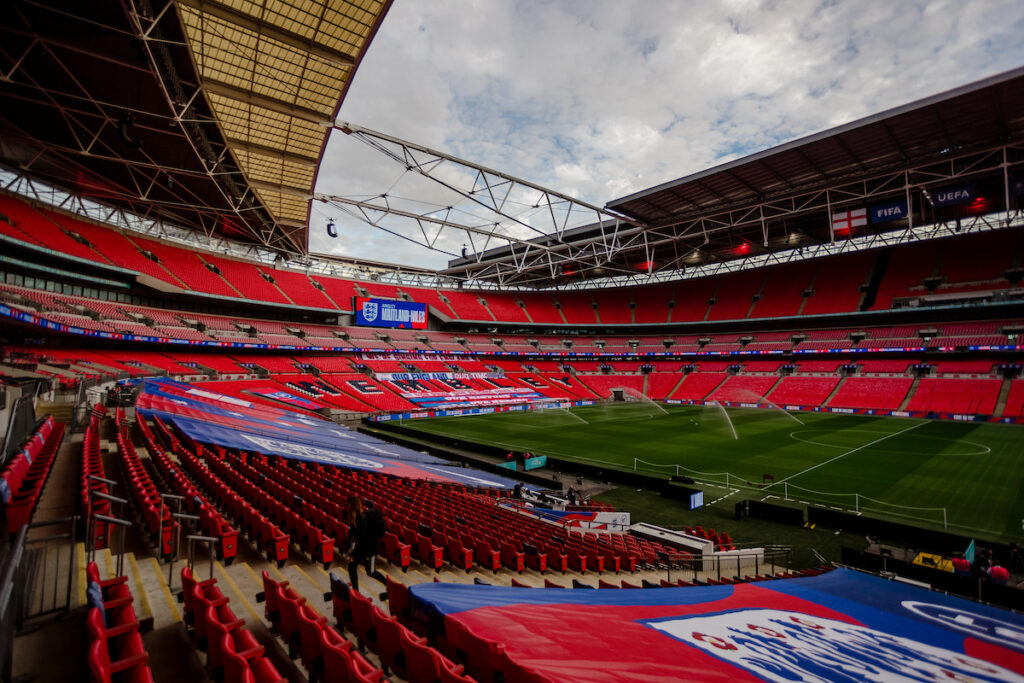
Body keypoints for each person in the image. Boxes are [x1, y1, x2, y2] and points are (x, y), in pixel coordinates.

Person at [344, 496, 386, 592]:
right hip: (361, 548)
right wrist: (352, 550)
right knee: (351, 568)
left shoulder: (361, 518)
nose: (346, 507)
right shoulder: (355, 517)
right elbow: (354, 536)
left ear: (352, 505)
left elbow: (361, 538)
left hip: (369, 549)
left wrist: (353, 552)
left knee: (371, 572)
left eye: (348, 505)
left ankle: (389, 586)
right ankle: (356, 591)